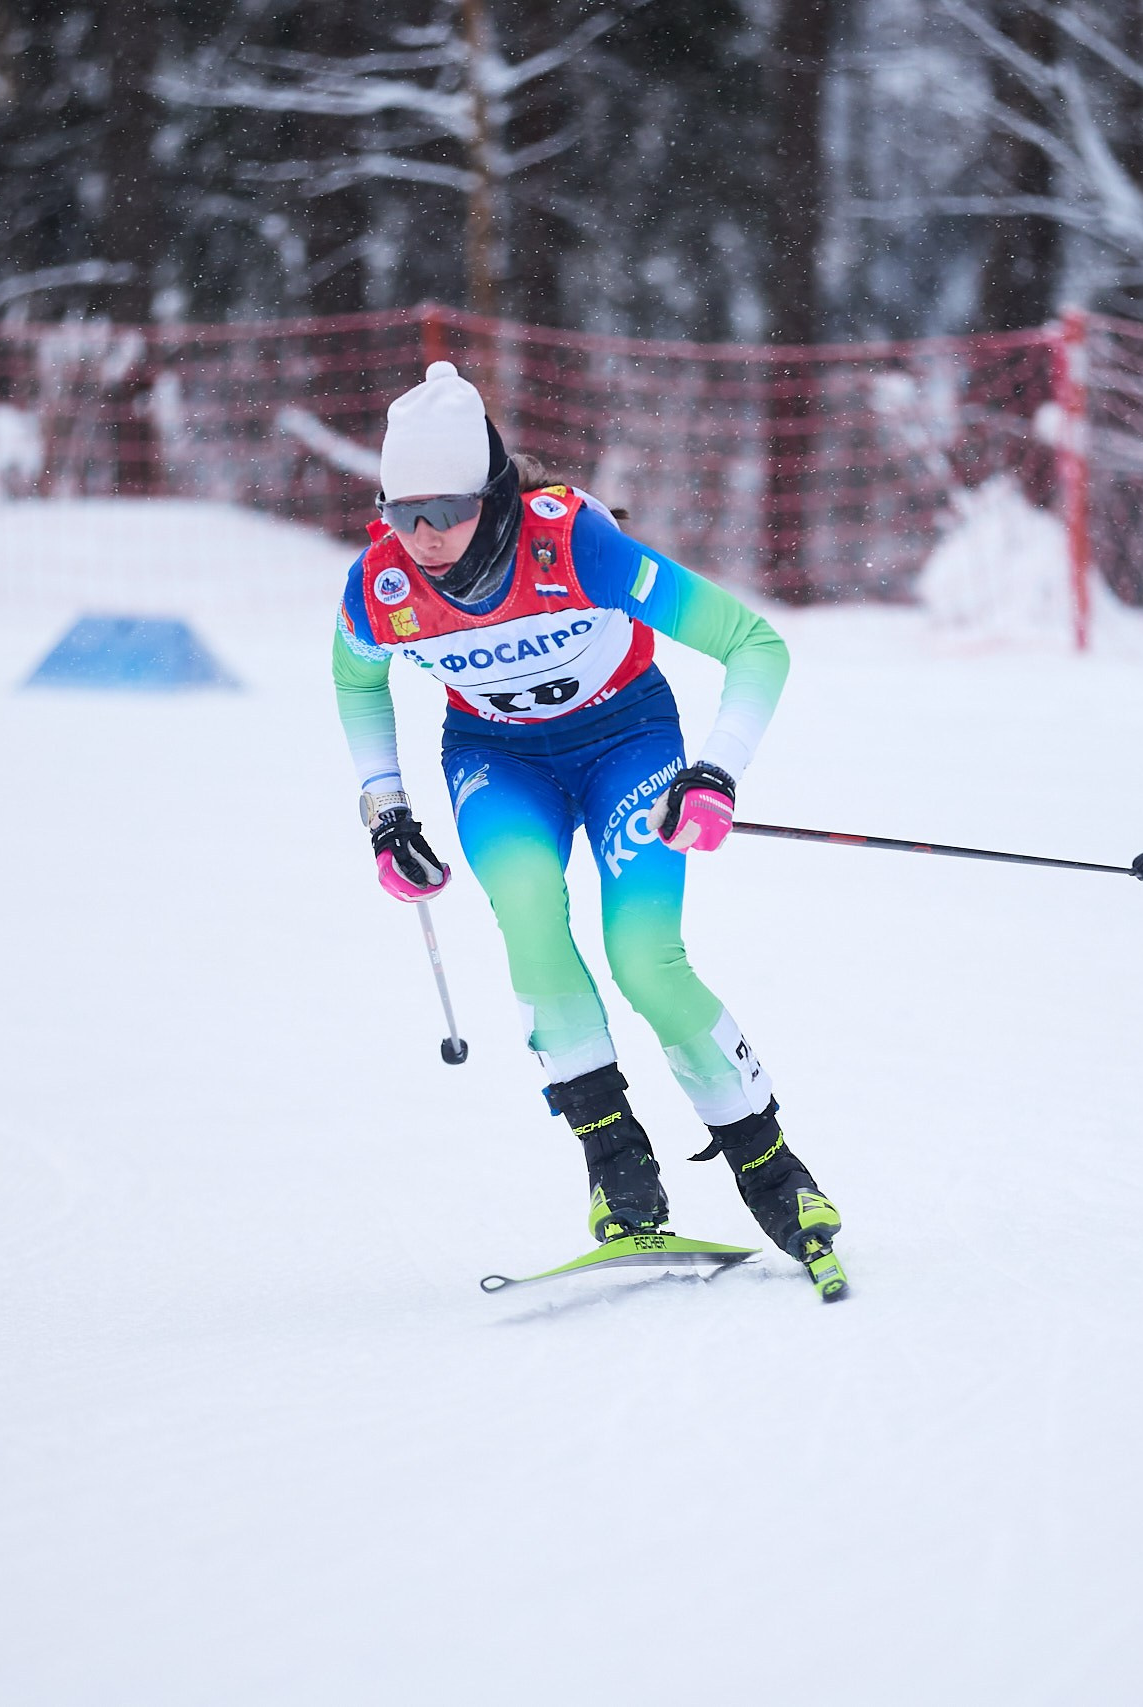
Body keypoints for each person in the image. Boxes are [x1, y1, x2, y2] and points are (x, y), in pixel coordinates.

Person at [331, 361, 846, 1298]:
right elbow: (358, 681)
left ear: (490, 494)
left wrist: (715, 772)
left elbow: (754, 645)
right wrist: (386, 809)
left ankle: (778, 1176)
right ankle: (621, 1180)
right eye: (402, 514)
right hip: (499, 761)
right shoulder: (381, 584)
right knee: (531, 921)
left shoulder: (576, 543)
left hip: (628, 741)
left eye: (443, 510)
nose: (425, 537)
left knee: (645, 957)